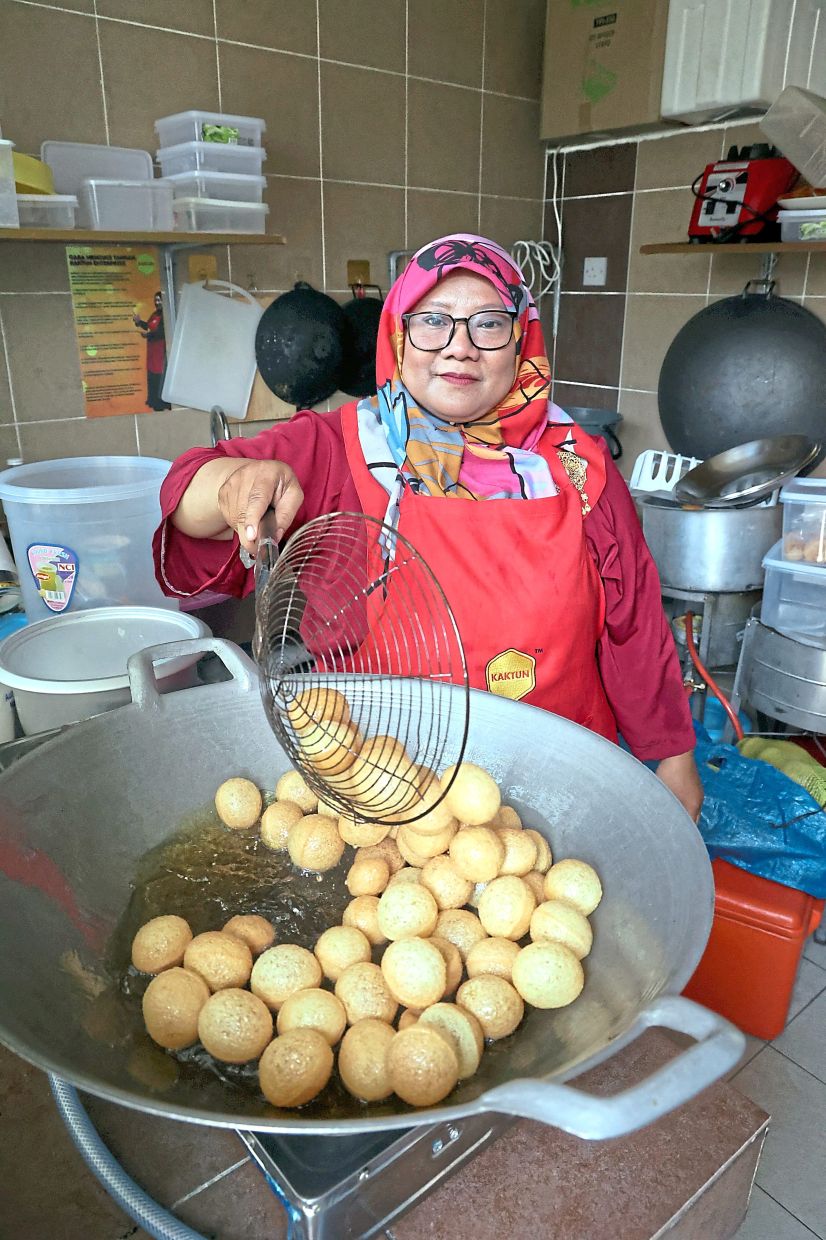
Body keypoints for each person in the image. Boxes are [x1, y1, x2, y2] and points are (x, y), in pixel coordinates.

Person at [154, 234, 703, 819]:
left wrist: (673, 756)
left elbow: (634, 617)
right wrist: (232, 484)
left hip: (560, 780)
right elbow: (187, 492)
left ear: (521, 337)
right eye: (433, 321)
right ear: (398, 330)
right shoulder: (339, 447)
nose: (459, 348)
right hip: (386, 780)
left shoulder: (576, 462)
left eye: (489, 324)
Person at [133, 291, 171, 412]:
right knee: (152, 373)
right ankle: (154, 400)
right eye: (156, 300)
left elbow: (161, 332)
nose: (157, 302)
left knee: (159, 375)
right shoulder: (154, 314)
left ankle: (161, 402)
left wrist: (148, 335)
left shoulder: (166, 316)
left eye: (159, 300)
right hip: (152, 350)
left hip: (161, 350)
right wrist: (139, 322)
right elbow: (150, 327)